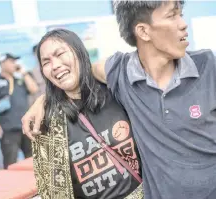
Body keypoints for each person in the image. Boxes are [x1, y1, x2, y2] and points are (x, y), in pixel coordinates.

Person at [23, 1, 216, 199]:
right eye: (172, 15)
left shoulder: (205, 64)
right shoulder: (121, 75)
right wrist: (46, 99)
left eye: (180, 14)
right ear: (143, 31)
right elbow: (78, 74)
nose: (183, 23)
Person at [31, 29, 143, 199]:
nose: (55, 65)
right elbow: (53, 192)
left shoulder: (116, 91)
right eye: (46, 62)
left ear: (79, 52)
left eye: (60, 53)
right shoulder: (47, 122)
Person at [0, 53, 39, 169]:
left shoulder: (20, 80)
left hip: (26, 127)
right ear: (3, 64)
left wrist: (24, 72)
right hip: (8, 129)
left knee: (33, 158)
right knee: (11, 161)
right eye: (11, 61)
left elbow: (34, 89)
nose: (15, 64)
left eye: (15, 61)